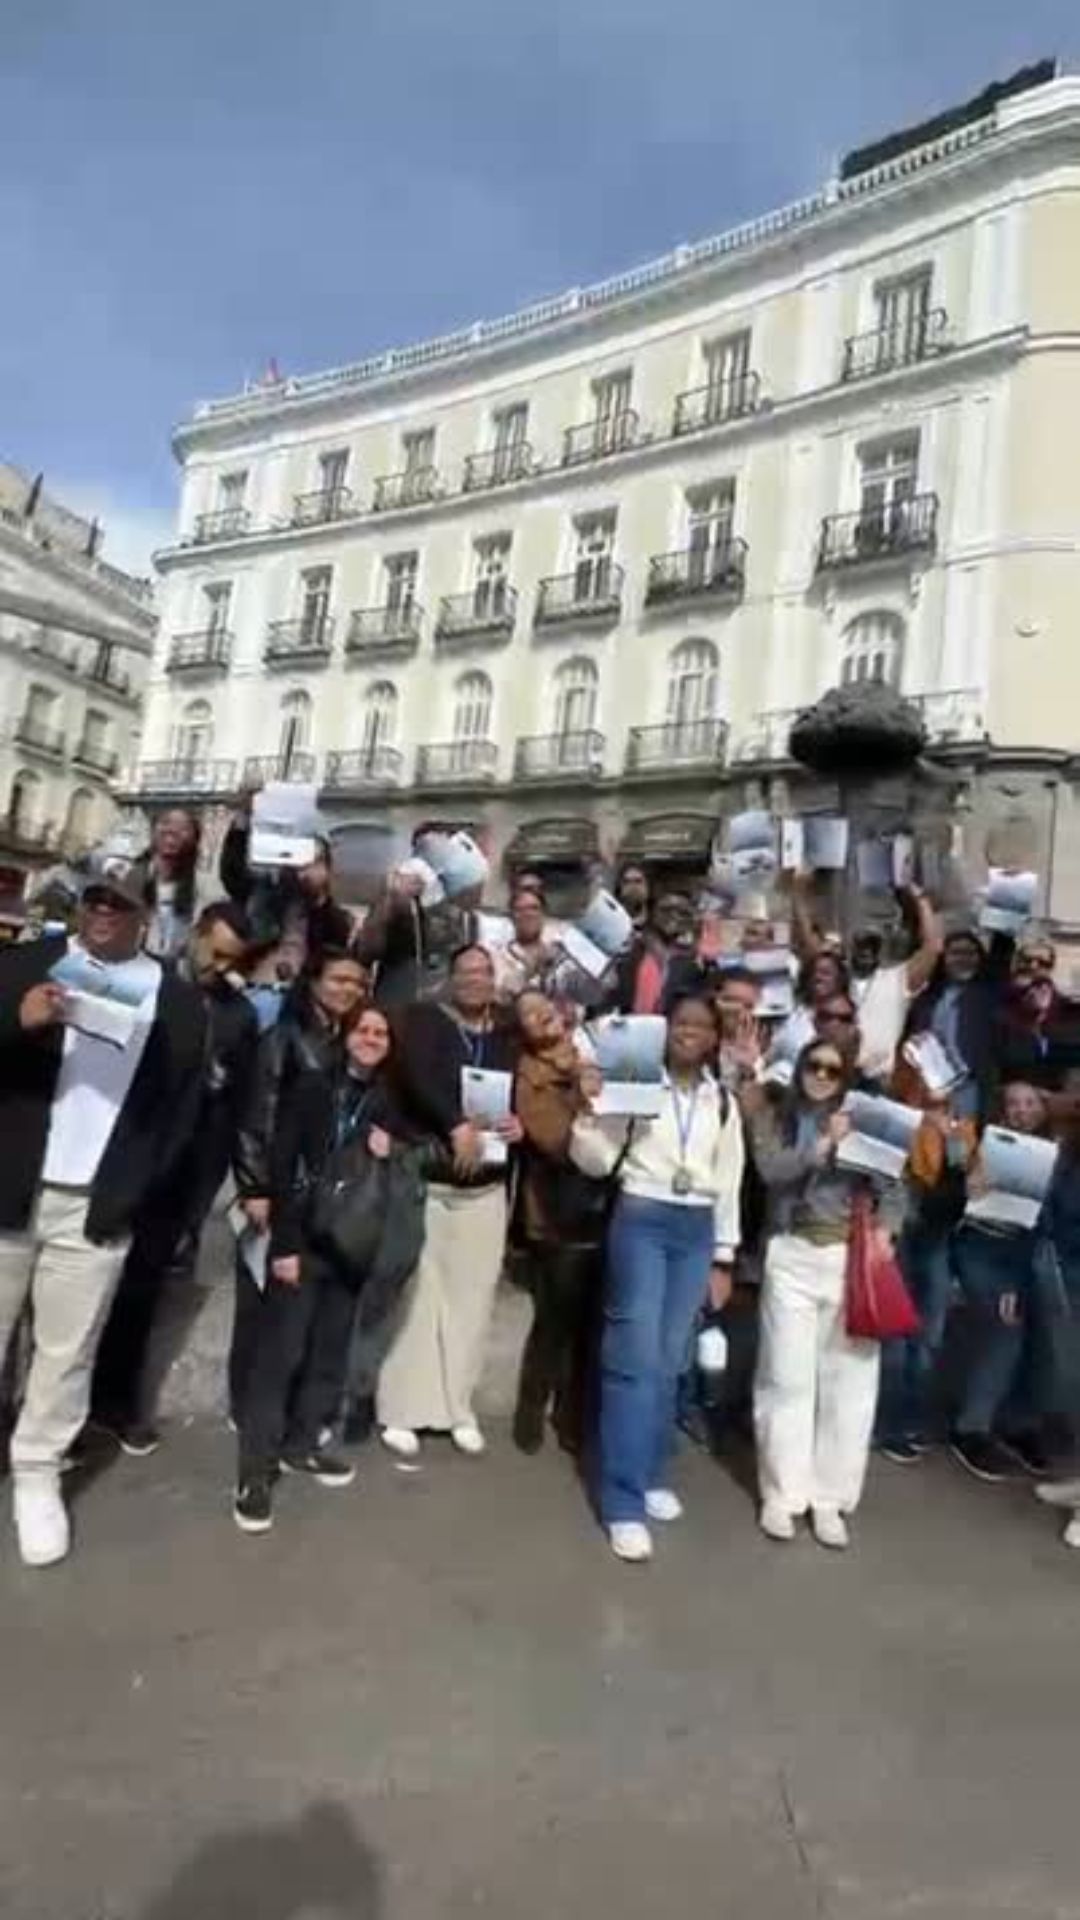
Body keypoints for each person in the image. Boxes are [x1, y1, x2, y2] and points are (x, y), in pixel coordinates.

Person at [0, 854, 206, 1565]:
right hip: (10, 1189)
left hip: (95, 1205)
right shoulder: (28, 964)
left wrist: (136, 1192)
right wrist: (15, 1022)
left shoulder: (176, 999)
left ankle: (36, 1475)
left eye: (118, 902)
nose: (102, 911)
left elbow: (181, 1111)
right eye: (93, 898)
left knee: (65, 1355)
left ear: (147, 912)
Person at [570, 995, 745, 1563]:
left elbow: (730, 1180)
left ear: (715, 1038)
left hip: (696, 1227)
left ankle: (648, 1472)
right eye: (681, 1024)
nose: (690, 1033)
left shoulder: (722, 1102)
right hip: (643, 1216)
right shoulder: (635, 1083)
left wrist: (724, 1257)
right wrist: (590, 1109)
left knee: (671, 1358)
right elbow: (594, 1158)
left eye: (702, 1026)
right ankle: (621, 1501)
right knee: (632, 1355)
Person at [90, 900, 259, 1455]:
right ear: (196, 934)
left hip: (184, 1173)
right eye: (215, 951)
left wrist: (214, 1187)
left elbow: (240, 1105)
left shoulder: (240, 1015)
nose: (220, 966)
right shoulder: (146, 982)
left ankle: (114, 1403)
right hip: (119, 1159)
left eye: (232, 959)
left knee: (142, 1290)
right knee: (78, 1285)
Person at [234, 1005, 411, 1534]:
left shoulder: (387, 1101)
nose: (372, 1039)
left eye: (382, 1033)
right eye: (364, 1030)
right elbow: (285, 1163)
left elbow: (412, 1163)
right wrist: (283, 1245)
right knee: (280, 1356)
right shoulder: (313, 1085)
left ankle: (302, 1443)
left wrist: (391, 1150)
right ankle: (253, 1473)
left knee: (329, 1353)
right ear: (346, 1034)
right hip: (305, 1241)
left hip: (352, 1244)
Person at [750, 1040, 906, 1550]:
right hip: (792, 1253)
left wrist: (888, 1228)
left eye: (832, 1069)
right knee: (785, 1377)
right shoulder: (778, 1115)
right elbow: (771, 1171)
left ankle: (830, 1499)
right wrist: (821, 1148)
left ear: (845, 1077)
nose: (821, 1075)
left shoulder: (866, 1117)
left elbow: (895, 1185)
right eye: (813, 1066)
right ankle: (783, 1493)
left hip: (848, 1259)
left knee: (850, 1386)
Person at [376, 945, 521, 1456]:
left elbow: (517, 1093)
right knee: (419, 1299)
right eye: (464, 973)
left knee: (472, 1302)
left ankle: (458, 1407)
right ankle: (402, 1409)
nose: (474, 981)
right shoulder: (424, 1021)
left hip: (485, 1188)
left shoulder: (506, 1033)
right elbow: (418, 1079)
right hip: (431, 1180)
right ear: (450, 979)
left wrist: (516, 1122)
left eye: (483, 972)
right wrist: (455, 1124)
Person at [230, 947, 367, 1426]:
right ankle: (245, 1405)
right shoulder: (284, 1039)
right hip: (275, 1189)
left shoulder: (343, 1040)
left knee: (291, 1306)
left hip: (313, 1194)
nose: (347, 989)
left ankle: (278, 1408)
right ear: (313, 982)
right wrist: (256, 1188)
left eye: (356, 982)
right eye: (338, 979)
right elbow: (256, 1115)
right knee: (259, 1304)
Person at [511, 990, 606, 1455]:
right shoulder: (527, 1077)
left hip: (606, 1208)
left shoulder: (596, 1052)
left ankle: (574, 1416)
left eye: (543, 1005)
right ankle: (530, 1409)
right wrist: (584, 1101)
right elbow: (553, 1140)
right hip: (557, 1211)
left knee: (592, 1324)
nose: (539, 1015)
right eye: (527, 1013)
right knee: (554, 1321)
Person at [949, 1079, 1052, 1482]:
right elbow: (955, 1177)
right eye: (1014, 1103)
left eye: (1030, 1102)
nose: (1022, 1111)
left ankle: (1019, 1422)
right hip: (983, 1244)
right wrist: (970, 1181)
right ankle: (971, 1428)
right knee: (1004, 1326)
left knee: (1041, 1331)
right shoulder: (977, 1141)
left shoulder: (1057, 1154)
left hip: (1029, 1250)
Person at [875, 1083, 977, 1462]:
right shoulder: (897, 1119)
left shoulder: (962, 1129)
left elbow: (967, 1188)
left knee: (929, 1334)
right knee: (895, 1334)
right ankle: (888, 1425)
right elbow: (891, 1176)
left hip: (937, 1234)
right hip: (901, 1229)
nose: (935, 1102)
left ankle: (913, 1418)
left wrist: (949, 1139)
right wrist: (917, 1125)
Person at [220, 787, 355, 977]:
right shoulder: (260, 894)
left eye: (314, 858)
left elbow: (333, 947)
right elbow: (233, 874)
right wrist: (244, 818)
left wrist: (318, 897)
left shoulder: (337, 920)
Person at [903, 928, 1011, 1121]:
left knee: (959, 1147)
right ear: (944, 959)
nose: (963, 959)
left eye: (970, 953)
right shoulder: (928, 998)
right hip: (930, 1087)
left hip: (968, 1089)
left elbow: (1004, 950)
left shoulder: (990, 995)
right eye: (956, 953)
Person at [358, 854, 483, 1008]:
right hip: (396, 1009)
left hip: (444, 1013)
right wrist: (389, 900)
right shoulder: (395, 912)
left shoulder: (468, 921)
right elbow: (364, 953)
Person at [614, 892, 699, 1015]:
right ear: (651, 913)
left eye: (682, 913)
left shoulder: (691, 961)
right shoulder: (628, 948)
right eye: (666, 910)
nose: (674, 916)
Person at [136, 807, 203, 961]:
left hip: (176, 964)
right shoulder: (131, 873)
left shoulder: (200, 884)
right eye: (166, 823)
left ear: (194, 838)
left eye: (183, 828)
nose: (172, 831)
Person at [996, 971, 1080, 1092]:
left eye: (1041, 984)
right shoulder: (1008, 1037)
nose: (1037, 991)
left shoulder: (1072, 1020)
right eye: (1025, 990)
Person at [491, 888, 556, 1003]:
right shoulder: (498, 956)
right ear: (511, 917)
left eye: (534, 908)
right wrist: (528, 971)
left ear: (543, 914)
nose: (528, 914)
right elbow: (501, 997)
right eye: (520, 910)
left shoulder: (559, 949)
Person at [615, 863, 650, 933]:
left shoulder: (655, 917)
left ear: (647, 886)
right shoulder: (612, 916)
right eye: (626, 882)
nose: (632, 887)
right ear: (620, 887)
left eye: (638, 881)